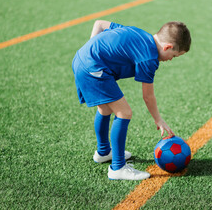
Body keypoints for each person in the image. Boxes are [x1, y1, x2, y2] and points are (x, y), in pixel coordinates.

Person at [72, 20, 191, 180]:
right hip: (93, 68)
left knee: (105, 109)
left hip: (82, 59)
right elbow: (148, 96)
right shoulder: (149, 58)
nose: (171, 59)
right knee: (124, 113)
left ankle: (103, 152)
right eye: (174, 56)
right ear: (167, 47)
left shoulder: (140, 33)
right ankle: (118, 168)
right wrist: (159, 120)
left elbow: (99, 24)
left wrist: (90, 50)